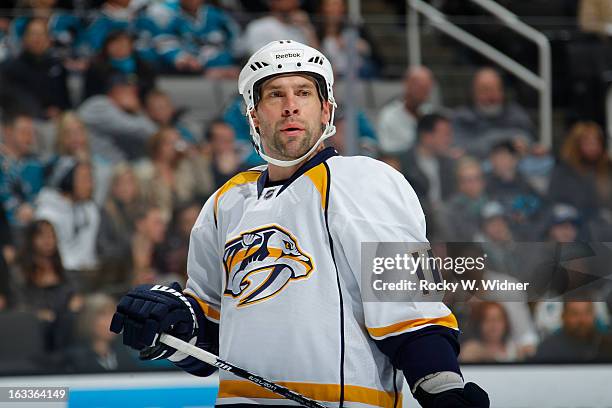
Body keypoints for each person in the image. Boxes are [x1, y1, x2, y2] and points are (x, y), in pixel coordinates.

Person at [110, 41, 488, 407]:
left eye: (303, 93)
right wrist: (172, 325)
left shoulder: (366, 181)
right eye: (275, 95)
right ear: (254, 115)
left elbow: (409, 309)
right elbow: (210, 331)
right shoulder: (226, 202)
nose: (290, 107)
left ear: (326, 110)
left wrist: (442, 390)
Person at [452, 67, 534, 159]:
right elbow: (460, 148)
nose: (490, 96)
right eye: (484, 90)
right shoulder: (462, 117)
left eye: (495, 89)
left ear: (502, 92)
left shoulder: (516, 113)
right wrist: (505, 140)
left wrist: (525, 143)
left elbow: (530, 139)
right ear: (473, 93)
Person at [1, 18, 71, 119]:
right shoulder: (10, 68)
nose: (38, 38)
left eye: (42, 34)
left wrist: (60, 110)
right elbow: (11, 100)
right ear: (24, 38)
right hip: (24, 121)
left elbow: (66, 100)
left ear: (49, 40)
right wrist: (40, 113)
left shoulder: (57, 66)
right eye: (33, 34)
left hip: (56, 120)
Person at [376, 66, 436, 154]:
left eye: (427, 89)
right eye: (420, 88)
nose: (424, 94)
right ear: (407, 85)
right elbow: (387, 151)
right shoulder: (389, 116)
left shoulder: (431, 113)